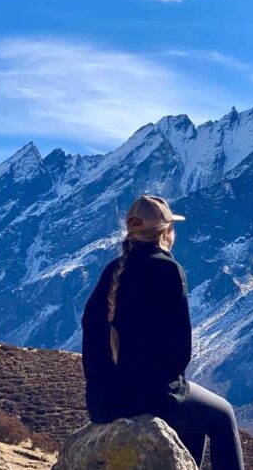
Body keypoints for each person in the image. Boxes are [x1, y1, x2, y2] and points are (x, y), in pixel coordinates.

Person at [81, 194, 244, 470]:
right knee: (222, 417)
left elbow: (90, 333)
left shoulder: (112, 271)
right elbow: (180, 352)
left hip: (103, 402)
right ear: (166, 232)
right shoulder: (168, 270)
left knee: (192, 423)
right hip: (149, 398)